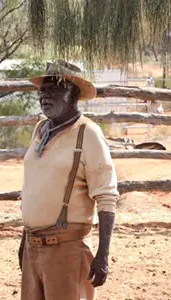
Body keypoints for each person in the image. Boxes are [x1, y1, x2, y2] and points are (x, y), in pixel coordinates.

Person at [18, 61, 120, 300]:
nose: (46, 95)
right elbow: (33, 188)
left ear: (73, 93)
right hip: (33, 249)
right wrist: (25, 238)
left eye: (55, 88)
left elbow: (107, 198)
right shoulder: (41, 129)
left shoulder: (89, 134)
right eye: (43, 90)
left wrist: (103, 254)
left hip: (66, 251)